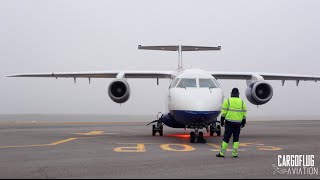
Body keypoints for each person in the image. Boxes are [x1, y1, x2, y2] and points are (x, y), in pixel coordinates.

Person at [216, 88, 247, 158]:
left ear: (231, 93)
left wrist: (222, 120)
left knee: (226, 138)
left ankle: (222, 153)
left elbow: (224, 112)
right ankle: (235, 154)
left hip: (229, 123)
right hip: (238, 123)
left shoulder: (228, 101)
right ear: (238, 94)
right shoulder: (242, 102)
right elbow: (244, 112)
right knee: (236, 138)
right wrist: (243, 121)